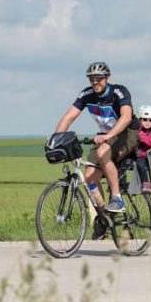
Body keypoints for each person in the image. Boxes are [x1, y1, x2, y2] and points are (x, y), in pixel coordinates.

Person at [54, 61, 139, 213]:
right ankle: (104, 216)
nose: (95, 82)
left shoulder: (119, 92)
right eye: (91, 79)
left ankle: (116, 198)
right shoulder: (87, 95)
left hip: (127, 132)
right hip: (106, 136)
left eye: (99, 78)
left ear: (107, 78)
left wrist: (108, 135)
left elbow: (126, 117)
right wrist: (56, 139)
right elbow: (69, 117)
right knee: (90, 178)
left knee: (102, 152)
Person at [135, 105, 151, 194]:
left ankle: (146, 183)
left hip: (144, 156)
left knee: (140, 164)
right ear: (140, 120)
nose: (148, 122)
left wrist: (139, 135)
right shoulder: (137, 130)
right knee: (121, 163)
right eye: (145, 119)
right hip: (133, 155)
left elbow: (149, 142)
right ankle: (119, 184)